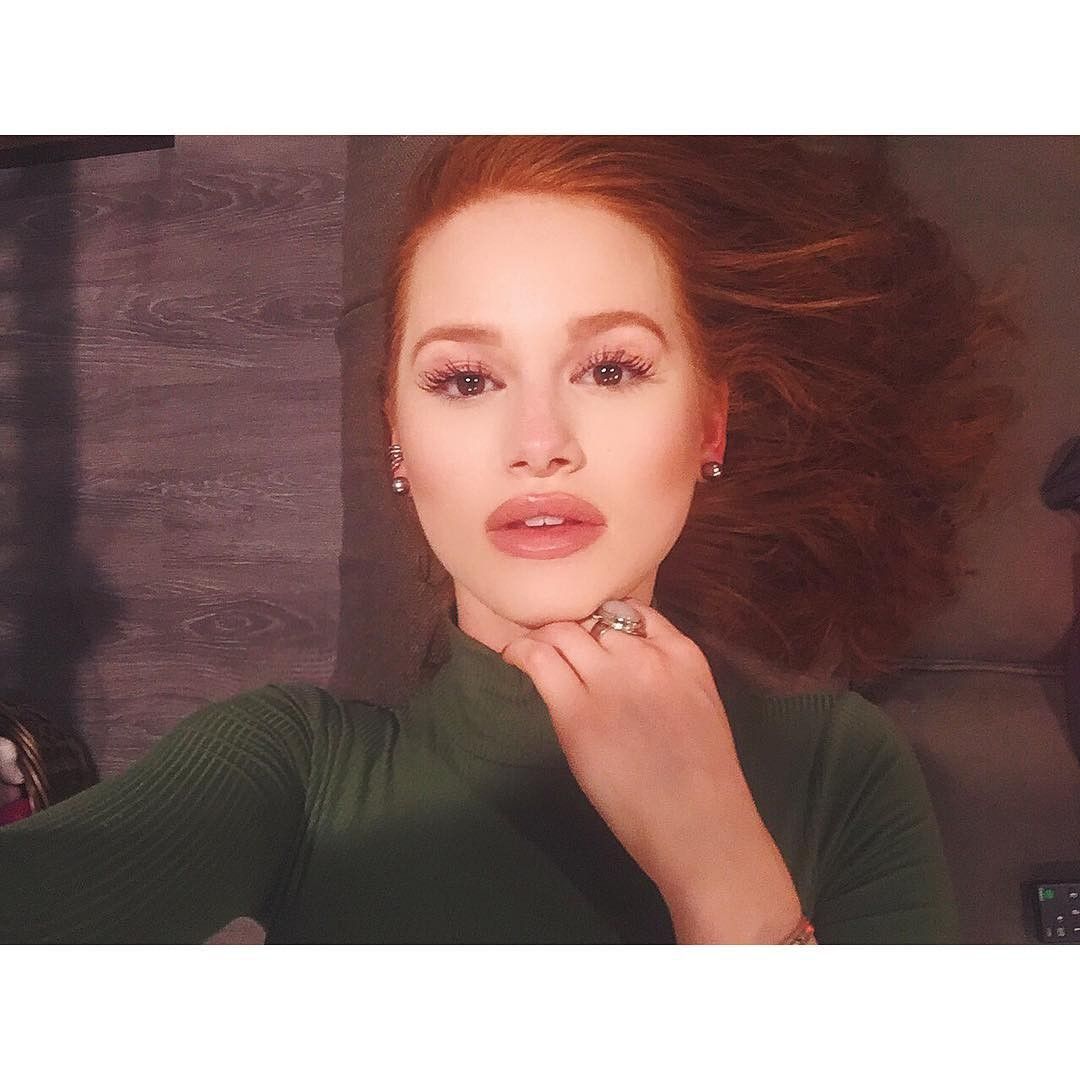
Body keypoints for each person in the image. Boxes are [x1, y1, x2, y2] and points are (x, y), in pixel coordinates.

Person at [0, 136, 1022, 944]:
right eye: (466, 380)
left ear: (710, 423)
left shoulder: (845, 765)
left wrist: (722, 869)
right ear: (397, 439)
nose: (538, 442)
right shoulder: (288, 769)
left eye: (610, 369)